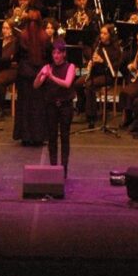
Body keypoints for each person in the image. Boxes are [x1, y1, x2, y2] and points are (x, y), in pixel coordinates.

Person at [34, 40, 76, 175]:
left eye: (59, 53)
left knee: (65, 137)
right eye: (54, 53)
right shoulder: (48, 67)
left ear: (64, 54)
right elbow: (36, 85)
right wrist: (41, 74)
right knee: (52, 137)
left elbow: (67, 83)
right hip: (51, 105)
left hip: (65, 106)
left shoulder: (70, 67)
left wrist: (51, 76)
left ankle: (64, 168)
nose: (56, 56)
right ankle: (53, 168)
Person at [13, 9, 49, 145]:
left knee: (25, 106)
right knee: (39, 106)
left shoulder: (22, 36)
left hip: (25, 75)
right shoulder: (45, 37)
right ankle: (39, 136)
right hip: (40, 75)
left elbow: (16, 56)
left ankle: (26, 136)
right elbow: (50, 55)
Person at [74, 23, 122, 127]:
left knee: (89, 85)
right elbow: (92, 57)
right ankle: (82, 108)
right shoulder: (98, 45)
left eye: (105, 34)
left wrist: (102, 61)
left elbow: (114, 67)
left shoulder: (115, 49)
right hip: (95, 73)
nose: (102, 36)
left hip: (107, 75)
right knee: (77, 83)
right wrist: (91, 62)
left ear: (110, 35)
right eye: (101, 33)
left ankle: (91, 116)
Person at [0, 19, 19, 119]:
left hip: (11, 68)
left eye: (7, 28)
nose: (4, 30)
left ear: (12, 29)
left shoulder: (15, 41)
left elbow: (7, 57)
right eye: (3, 28)